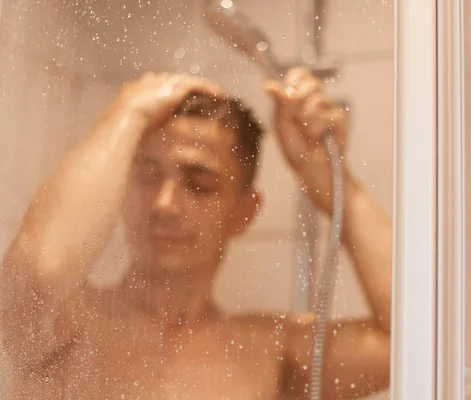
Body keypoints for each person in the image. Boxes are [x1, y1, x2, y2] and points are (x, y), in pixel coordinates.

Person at [0, 68, 392, 399]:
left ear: (244, 212)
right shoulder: (69, 326)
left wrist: (324, 175)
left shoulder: (269, 351)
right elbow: (37, 270)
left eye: (199, 184)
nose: (164, 204)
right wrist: (127, 112)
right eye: (148, 177)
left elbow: (413, 338)